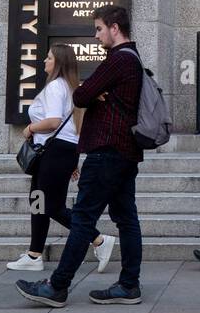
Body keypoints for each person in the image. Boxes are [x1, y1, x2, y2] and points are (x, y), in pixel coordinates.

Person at [16, 5, 145, 308]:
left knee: (78, 215)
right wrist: (92, 92)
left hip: (104, 151)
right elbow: (88, 94)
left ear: (115, 27)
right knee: (126, 218)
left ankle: (57, 285)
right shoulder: (133, 60)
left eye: (99, 28)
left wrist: (91, 92)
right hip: (125, 151)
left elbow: (81, 96)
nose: (96, 35)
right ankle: (129, 284)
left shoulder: (118, 59)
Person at [7, 44, 117, 274]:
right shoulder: (68, 88)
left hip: (55, 153)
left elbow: (54, 122)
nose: (44, 61)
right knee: (37, 200)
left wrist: (30, 128)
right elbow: (72, 128)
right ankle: (34, 254)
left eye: (48, 58)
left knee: (51, 206)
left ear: (58, 62)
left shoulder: (57, 87)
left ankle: (98, 239)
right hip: (57, 153)